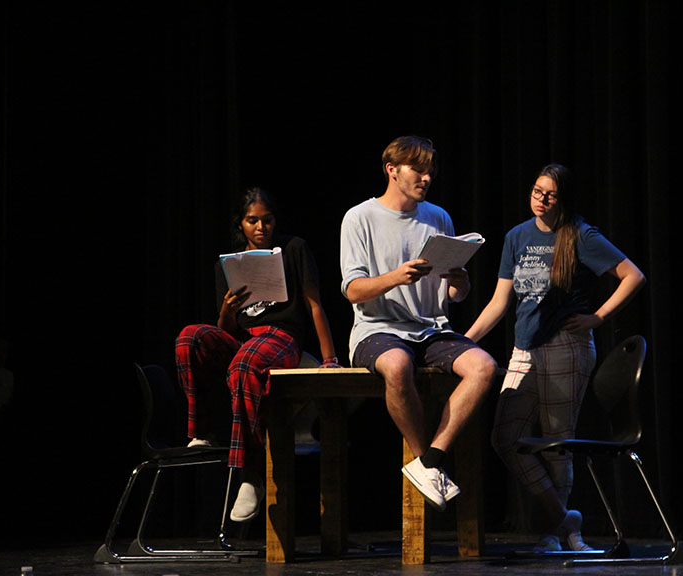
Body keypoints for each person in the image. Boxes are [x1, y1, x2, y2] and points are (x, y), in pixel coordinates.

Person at [464, 164, 646, 552]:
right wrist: (464, 342)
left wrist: (598, 316)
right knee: (505, 438)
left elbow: (633, 275)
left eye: (549, 194)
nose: (540, 199)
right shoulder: (517, 236)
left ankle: (557, 535)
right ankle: (565, 521)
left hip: (567, 346)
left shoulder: (580, 235)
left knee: (557, 442)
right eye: (536, 191)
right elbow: (500, 302)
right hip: (524, 348)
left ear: (563, 199)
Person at [339, 135, 497, 512]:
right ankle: (423, 455)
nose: (426, 178)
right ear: (392, 170)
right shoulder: (360, 217)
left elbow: (451, 296)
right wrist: (396, 277)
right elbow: (354, 290)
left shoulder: (438, 217)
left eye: (430, 172)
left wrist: (461, 284)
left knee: (484, 366)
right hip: (377, 329)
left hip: (429, 327)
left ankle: (430, 463)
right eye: (418, 169)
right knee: (397, 364)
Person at [175, 187, 340, 523]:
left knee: (246, 362)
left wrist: (329, 359)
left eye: (267, 220)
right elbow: (225, 328)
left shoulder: (293, 249)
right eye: (253, 221)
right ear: (242, 224)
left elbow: (313, 304)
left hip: (282, 337)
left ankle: (251, 475)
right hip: (243, 338)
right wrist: (226, 308)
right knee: (189, 338)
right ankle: (202, 431)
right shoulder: (230, 263)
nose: (261, 227)